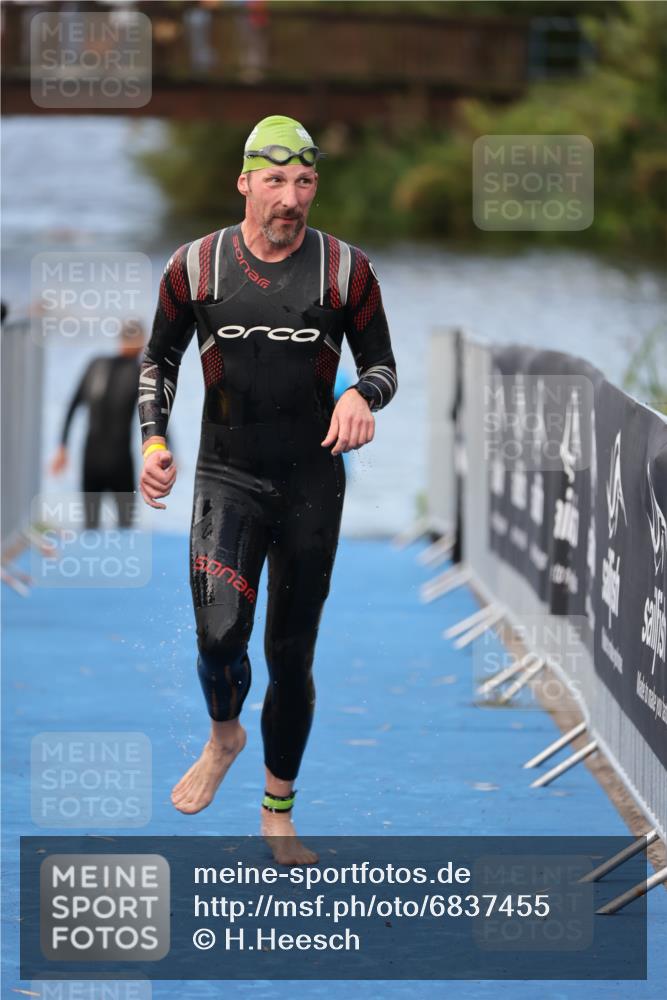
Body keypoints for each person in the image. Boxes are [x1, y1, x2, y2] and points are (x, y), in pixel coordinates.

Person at [139, 115, 398, 865]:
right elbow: (159, 360)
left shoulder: (345, 271)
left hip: (312, 481)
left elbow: (382, 366)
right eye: (277, 181)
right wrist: (155, 442)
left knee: (290, 656)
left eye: (306, 182)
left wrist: (361, 398)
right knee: (220, 638)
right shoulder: (196, 266)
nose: (292, 197)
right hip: (228, 475)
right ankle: (224, 734)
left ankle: (277, 810)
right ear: (245, 182)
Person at [51, 320, 146, 529]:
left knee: (90, 526)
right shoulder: (140, 373)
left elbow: (72, 406)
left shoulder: (96, 365)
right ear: (141, 345)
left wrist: (62, 448)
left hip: (90, 459)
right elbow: (152, 416)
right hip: (120, 461)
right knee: (125, 527)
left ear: (120, 340)